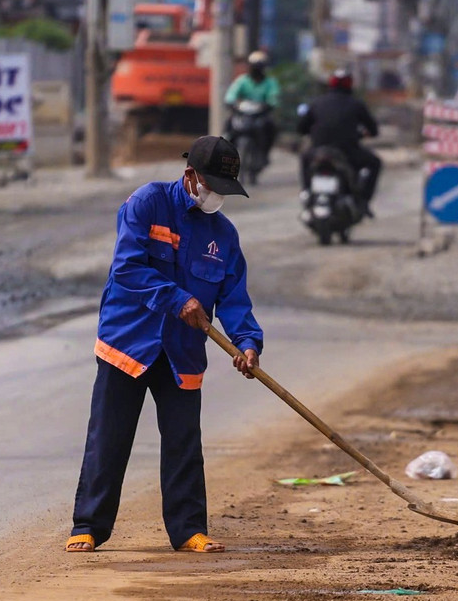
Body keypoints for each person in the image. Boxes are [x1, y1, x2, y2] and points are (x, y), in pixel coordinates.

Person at [67, 136, 264, 555]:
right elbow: (127, 267)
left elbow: (233, 299)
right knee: (109, 438)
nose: (216, 197)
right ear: (190, 175)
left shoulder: (224, 236)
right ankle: (89, 525)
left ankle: (189, 529)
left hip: (182, 351)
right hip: (128, 343)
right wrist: (178, 299)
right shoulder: (147, 203)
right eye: (211, 186)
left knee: (183, 442)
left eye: (224, 190)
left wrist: (247, 343)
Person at [296, 68, 381, 215]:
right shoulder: (356, 104)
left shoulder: (317, 103)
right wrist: (362, 133)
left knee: (304, 158)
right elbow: (373, 130)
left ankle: (306, 191)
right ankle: (364, 201)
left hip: (318, 151)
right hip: (348, 152)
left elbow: (301, 128)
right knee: (375, 163)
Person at [224, 51, 281, 158]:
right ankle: (225, 150)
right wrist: (231, 102)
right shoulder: (242, 80)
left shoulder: (270, 83)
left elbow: (273, 98)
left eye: (259, 67)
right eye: (254, 67)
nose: (256, 70)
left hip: (261, 114)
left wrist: (270, 104)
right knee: (229, 123)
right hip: (243, 113)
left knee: (272, 125)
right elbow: (231, 94)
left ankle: (265, 152)